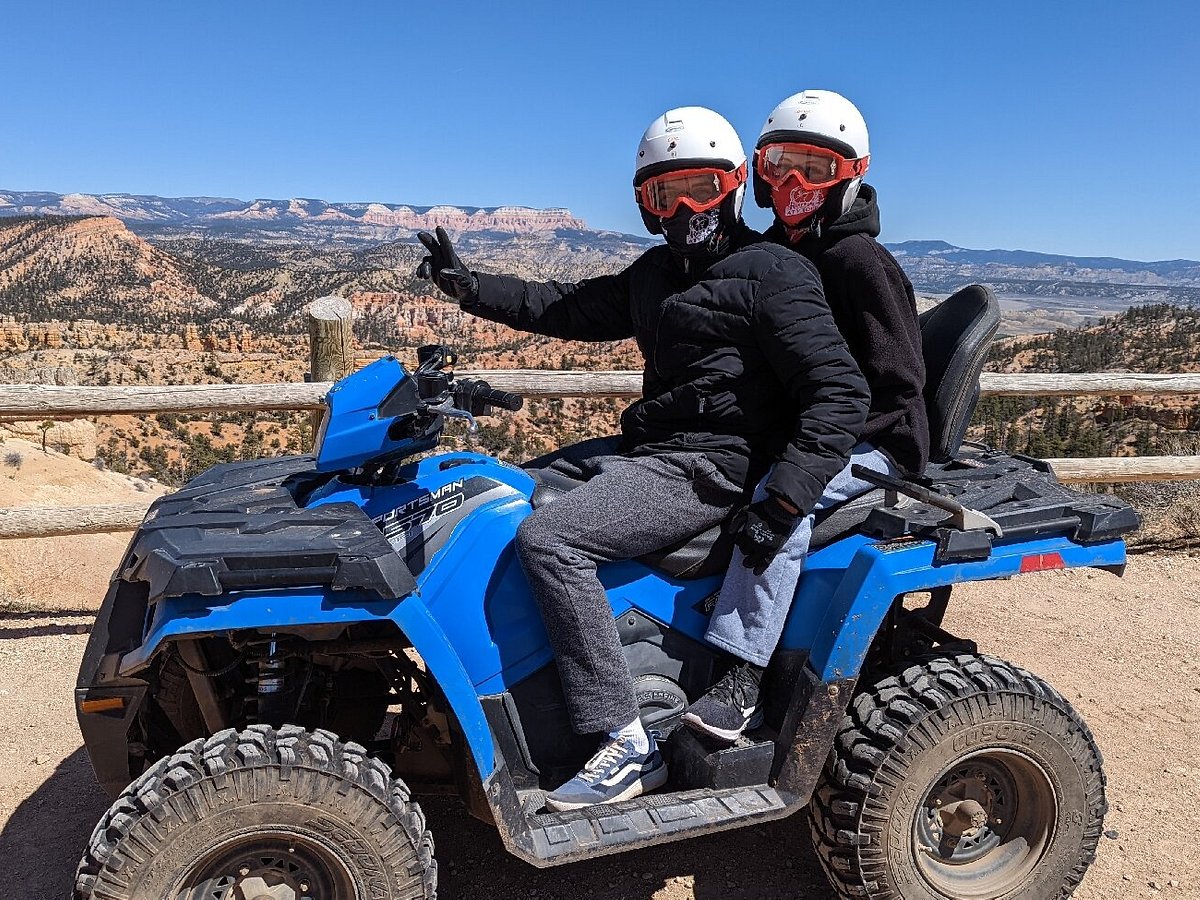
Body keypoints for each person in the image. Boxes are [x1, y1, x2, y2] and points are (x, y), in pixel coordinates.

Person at [416, 106, 869, 810]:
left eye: (700, 187)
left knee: (551, 538)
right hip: (655, 447)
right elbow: (561, 305)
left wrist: (784, 501)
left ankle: (622, 742)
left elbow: (838, 394)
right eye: (665, 194)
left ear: (735, 185)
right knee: (507, 492)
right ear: (645, 205)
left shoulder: (773, 273)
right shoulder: (655, 275)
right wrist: (472, 289)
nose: (685, 208)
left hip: (715, 466)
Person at [685, 90, 930, 742]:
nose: (794, 184)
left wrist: (806, 452)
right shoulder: (781, 254)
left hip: (876, 442)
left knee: (777, 505)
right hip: (812, 431)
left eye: (814, 169)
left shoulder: (858, 263)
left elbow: (899, 381)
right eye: (780, 166)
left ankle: (741, 677)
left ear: (850, 174)